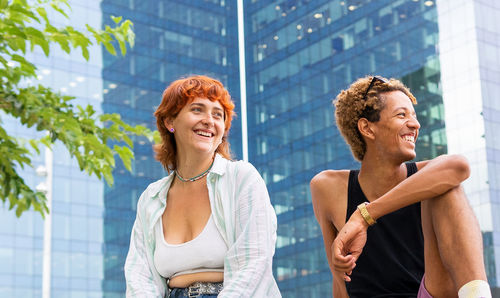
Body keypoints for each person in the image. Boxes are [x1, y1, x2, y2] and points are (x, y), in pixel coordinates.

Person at [310, 76, 491, 297]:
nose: (416, 124)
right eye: (402, 114)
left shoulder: (430, 174)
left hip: (429, 292)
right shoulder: (327, 188)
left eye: (414, 116)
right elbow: (339, 281)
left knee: (445, 185)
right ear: (367, 128)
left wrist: (364, 216)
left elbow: (459, 166)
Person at [124, 75, 281, 297]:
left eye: (218, 115)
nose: (209, 120)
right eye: (198, 110)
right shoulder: (151, 197)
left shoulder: (242, 178)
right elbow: (140, 277)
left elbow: (254, 264)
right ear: (170, 122)